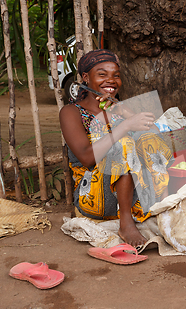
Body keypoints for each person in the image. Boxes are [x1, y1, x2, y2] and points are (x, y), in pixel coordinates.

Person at [59, 49, 173, 247]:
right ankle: (126, 223)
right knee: (122, 143)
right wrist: (126, 126)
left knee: (148, 138)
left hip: (137, 195)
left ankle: (163, 209)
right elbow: (87, 158)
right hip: (95, 196)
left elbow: (157, 138)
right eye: (102, 74)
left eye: (116, 75)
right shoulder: (71, 112)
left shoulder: (118, 110)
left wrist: (125, 112)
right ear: (85, 77)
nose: (110, 80)